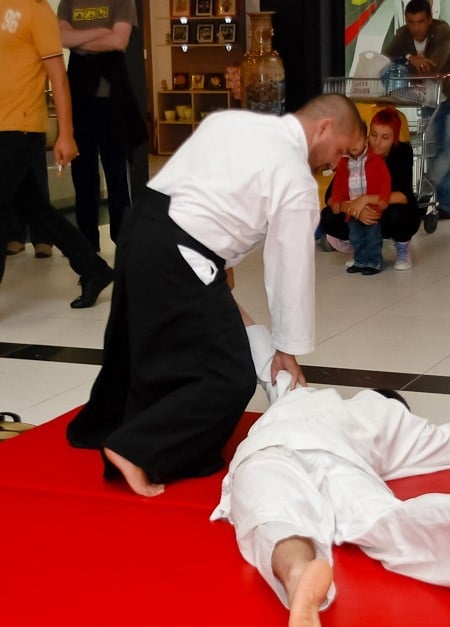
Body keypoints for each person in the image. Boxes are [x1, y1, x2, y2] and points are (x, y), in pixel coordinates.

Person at [66, 93, 364, 498]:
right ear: (325, 127)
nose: (334, 163)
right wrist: (286, 349)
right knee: (228, 375)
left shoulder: (233, 122)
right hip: (179, 253)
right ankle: (136, 448)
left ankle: (108, 426)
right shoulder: (295, 177)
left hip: (140, 229)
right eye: (340, 151)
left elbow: (202, 184)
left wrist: (222, 270)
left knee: (141, 340)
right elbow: (288, 268)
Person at [210, 321, 450, 627]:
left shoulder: (294, 393)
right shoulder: (385, 416)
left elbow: (256, 334)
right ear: (398, 407)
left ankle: (297, 574)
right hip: (342, 457)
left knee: (274, 518)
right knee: (381, 519)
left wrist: (220, 284)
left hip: (270, 450)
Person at [0, 0, 114, 308]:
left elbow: (58, 77)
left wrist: (66, 133)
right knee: (36, 211)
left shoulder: (37, 12)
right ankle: (93, 269)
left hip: (19, 127)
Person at [57, 0, 147, 251]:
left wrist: (79, 41)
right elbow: (61, 38)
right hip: (78, 95)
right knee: (82, 177)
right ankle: (88, 249)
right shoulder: (68, 2)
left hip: (113, 99)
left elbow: (119, 41)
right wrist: (100, 32)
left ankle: (124, 244)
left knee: (117, 174)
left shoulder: (121, 1)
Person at [383, 0, 450, 220]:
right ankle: (447, 204)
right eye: (411, 22)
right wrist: (410, 57)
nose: (416, 28)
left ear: (430, 19)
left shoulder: (442, 31)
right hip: (430, 99)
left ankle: (424, 195)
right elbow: (384, 60)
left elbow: (432, 68)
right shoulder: (403, 35)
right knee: (431, 150)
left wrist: (405, 64)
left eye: (421, 22)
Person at [320, 107, 421, 271]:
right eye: (373, 135)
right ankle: (360, 249)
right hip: (358, 214)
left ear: (394, 139)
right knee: (328, 216)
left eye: (385, 137)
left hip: (385, 209)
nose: (377, 142)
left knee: (401, 214)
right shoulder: (357, 150)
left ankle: (402, 246)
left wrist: (365, 200)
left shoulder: (402, 152)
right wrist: (353, 209)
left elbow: (403, 196)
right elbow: (330, 197)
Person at [327, 122, 391, 276]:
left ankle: (373, 262)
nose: (353, 145)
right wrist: (337, 200)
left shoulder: (376, 160)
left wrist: (383, 198)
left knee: (372, 237)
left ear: (366, 140)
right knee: (355, 237)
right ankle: (360, 261)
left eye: (358, 140)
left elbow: (385, 180)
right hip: (352, 210)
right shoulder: (344, 163)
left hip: (371, 210)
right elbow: (338, 184)